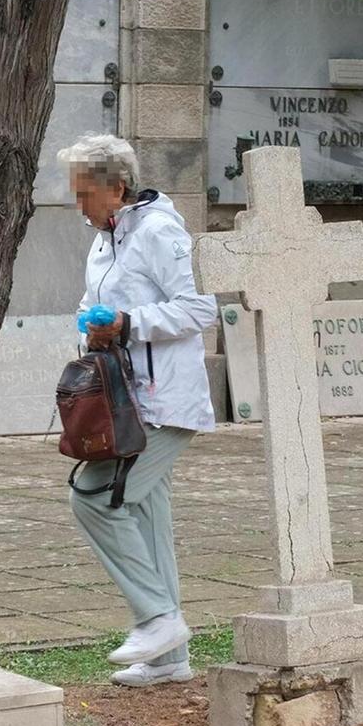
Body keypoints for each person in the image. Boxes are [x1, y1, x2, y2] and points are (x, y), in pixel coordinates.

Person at [59, 133, 217, 688]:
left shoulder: (159, 230)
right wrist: (93, 321)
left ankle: (158, 618)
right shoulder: (104, 239)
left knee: (93, 498)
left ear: (115, 187)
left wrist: (128, 324)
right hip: (125, 400)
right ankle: (170, 659)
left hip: (165, 401)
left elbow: (201, 309)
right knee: (147, 514)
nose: (78, 206)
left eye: (84, 195)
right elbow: (92, 303)